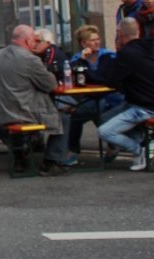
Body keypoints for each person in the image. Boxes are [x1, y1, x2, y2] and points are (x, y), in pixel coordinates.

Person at [0, 24, 66, 176]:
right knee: (64, 118)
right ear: (28, 41)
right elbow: (51, 85)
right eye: (35, 40)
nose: (36, 43)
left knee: (15, 118)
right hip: (20, 113)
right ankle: (52, 161)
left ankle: (20, 154)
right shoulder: (30, 60)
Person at [96, 18, 154, 171]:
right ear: (139, 31)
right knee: (104, 117)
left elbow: (112, 80)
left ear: (120, 34)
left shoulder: (126, 53)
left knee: (104, 131)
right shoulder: (149, 46)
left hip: (143, 105)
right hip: (139, 101)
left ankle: (140, 150)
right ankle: (144, 147)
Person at [60, 24, 123, 165]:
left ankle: (73, 151)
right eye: (93, 40)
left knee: (81, 114)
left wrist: (85, 69)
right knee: (81, 113)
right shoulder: (76, 59)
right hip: (88, 98)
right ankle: (111, 144)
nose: (97, 42)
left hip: (110, 98)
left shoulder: (108, 56)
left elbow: (102, 78)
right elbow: (74, 80)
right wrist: (82, 63)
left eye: (98, 39)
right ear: (84, 43)